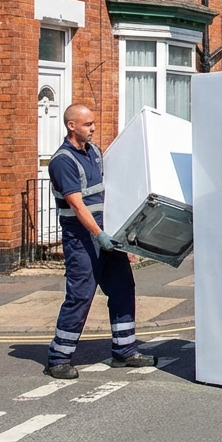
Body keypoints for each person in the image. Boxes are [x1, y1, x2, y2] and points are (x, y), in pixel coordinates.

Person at [43, 103, 156, 379]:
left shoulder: (94, 153)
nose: (93, 128)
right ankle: (58, 358)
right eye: (87, 124)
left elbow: (111, 193)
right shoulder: (62, 161)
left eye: (93, 123)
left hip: (107, 235)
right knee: (80, 296)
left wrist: (122, 236)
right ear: (72, 126)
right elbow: (77, 205)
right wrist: (99, 235)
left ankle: (125, 351)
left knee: (123, 289)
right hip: (82, 238)